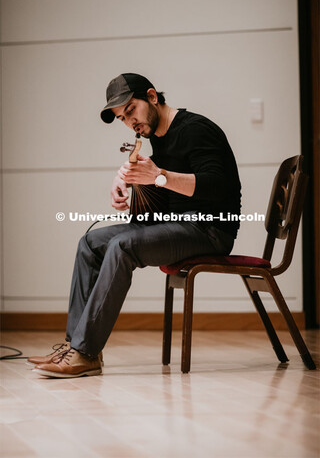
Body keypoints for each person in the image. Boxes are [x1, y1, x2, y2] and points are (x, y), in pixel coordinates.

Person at [29, 73, 241, 378]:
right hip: (178, 225)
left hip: (210, 230)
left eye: (131, 111)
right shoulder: (158, 135)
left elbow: (216, 186)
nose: (129, 122)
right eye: (121, 118)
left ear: (152, 97)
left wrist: (158, 176)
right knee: (89, 244)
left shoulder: (196, 129)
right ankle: (74, 346)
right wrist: (125, 180)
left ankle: (85, 353)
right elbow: (162, 175)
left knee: (121, 246)